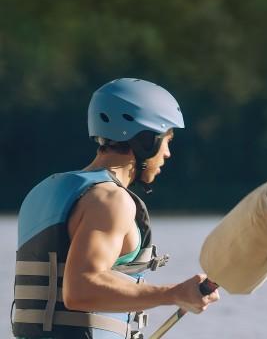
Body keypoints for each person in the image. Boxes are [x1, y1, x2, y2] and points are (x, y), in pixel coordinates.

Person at [12, 78, 219, 339]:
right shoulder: (111, 200)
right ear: (146, 140)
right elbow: (81, 290)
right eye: (167, 140)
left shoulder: (44, 191)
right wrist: (174, 294)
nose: (168, 153)